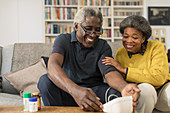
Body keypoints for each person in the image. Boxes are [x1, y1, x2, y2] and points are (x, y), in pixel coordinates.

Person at [38, 7, 141, 112]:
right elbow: (53, 66)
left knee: (117, 94)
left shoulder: (102, 46)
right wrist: (76, 91)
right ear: (76, 26)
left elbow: (109, 72)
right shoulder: (63, 40)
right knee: (45, 81)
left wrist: (124, 87)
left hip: (94, 94)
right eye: (88, 28)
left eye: (97, 30)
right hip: (68, 90)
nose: (92, 35)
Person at [102, 15, 170, 113]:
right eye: (126, 36)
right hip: (140, 92)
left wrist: (124, 70)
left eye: (135, 37)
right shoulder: (121, 53)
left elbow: (158, 78)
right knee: (146, 89)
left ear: (143, 39)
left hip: (161, 91)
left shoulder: (156, 47)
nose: (129, 41)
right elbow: (121, 80)